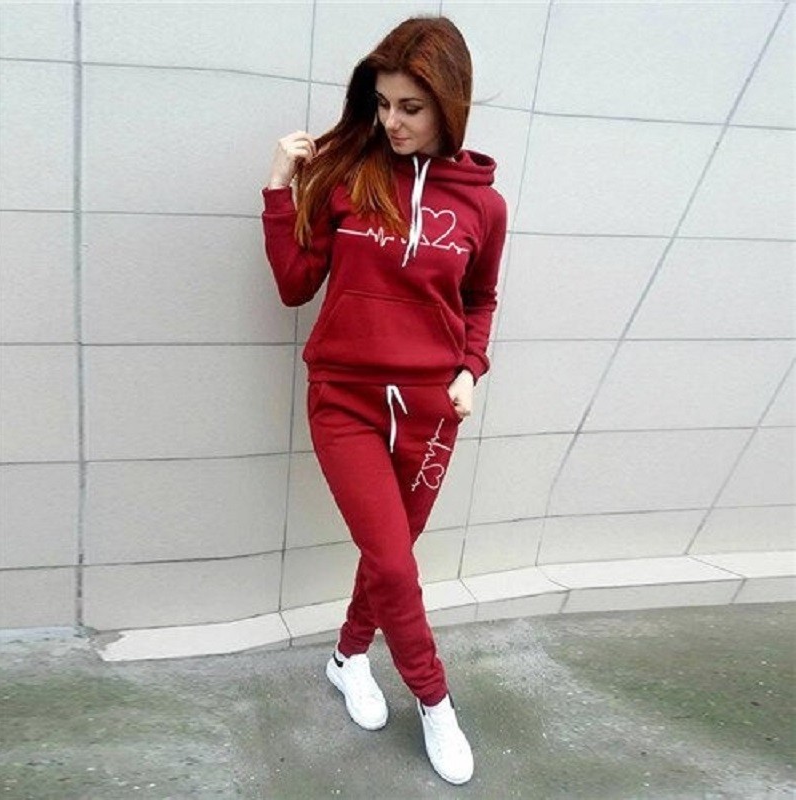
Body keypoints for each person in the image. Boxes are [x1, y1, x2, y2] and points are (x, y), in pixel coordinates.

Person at [261, 15, 507, 786]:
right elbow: (295, 286)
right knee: (396, 565)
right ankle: (435, 701)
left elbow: (480, 298)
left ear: (449, 105)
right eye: (382, 103)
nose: (392, 122)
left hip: (433, 410)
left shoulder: (485, 208)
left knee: (385, 561)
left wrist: (470, 368)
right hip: (346, 399)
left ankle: (347, 658)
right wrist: (279, 188)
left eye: (410, 107)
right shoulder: (348, 176)